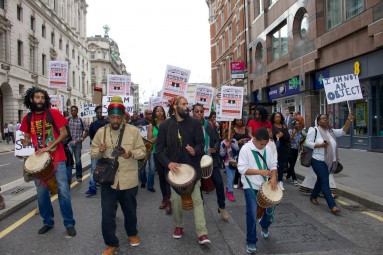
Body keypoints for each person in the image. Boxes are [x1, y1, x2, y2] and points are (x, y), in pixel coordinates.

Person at [90, 96, 146, 255]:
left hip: (128, 179)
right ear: (108, 116)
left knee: (130, 210)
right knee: (107, 213)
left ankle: (132, 233)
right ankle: (111, 243)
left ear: (123, 117)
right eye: (112, 117)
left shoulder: (133, 131)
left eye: (118, 117)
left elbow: (142, 152)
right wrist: (100, 150)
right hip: (108, 179)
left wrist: (130, 153)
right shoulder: (101, 132)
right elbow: (93, 154)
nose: (115, 120)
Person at [19, 86, 76, 236]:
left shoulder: (53, 113)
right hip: (40, 161)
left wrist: (49, 147)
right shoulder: (28, 118)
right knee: (42, 194)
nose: (40, 100)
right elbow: (26, 138)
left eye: (42, 98)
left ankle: (69, 223)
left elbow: (64, 133)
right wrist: (24, 143)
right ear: (31, 99)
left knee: (63, 192)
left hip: (58, 158)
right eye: (37, 98)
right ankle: (48, 222)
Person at [155, 96, 211, 244]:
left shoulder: (194, 123)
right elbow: (158, 151)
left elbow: (201, 144)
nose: (187, 107)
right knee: (176, 201)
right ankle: (179, 226)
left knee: (197, 200)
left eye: (187, 104)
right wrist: (168, 164)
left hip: (193, 168)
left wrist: (195, 150)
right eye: (184, 104)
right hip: (175, 172)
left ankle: (202, 233)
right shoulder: (165, 126)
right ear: (175, 107)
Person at [237, 128, 278, 254]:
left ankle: (264, 225)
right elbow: (242, 169)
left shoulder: (268, 148)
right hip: (250, 185)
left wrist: (274, 178)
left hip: (264, 185)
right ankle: (251, 241)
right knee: (252, 212)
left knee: (271, 207)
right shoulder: (246, 149)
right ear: (254, 139)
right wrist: (260, 171)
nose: (263, 146)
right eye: (261, 144)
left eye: (265, 144)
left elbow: (273, 165)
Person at [305, 113, 353, 215]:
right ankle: (332, 206)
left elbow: (343, 131)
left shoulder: (331, 131)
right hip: (317, 159)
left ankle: (313, 196)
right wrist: (320, 145)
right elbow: (307, 143)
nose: (325, 120)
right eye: (322, 118)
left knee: (321, 179)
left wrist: (348, 121)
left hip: (329, 161)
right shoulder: (314, 130)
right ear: (318, 121)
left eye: (326, 118)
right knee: (325, 181)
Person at [192, 103, 228, 221]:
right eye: (197, 111)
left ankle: (222, 207)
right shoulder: (188, 126)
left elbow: (217, 139)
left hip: (211, 160)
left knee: (219, 183)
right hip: (196, 161)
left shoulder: (210, 125)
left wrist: (215, 148)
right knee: (199, 187)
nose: (199, 114)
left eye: (201, 111)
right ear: (193, 112)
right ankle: (200, 210)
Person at [148, 106, 172, 213]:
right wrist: (159, 135)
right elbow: (149, 141)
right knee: (162, 178)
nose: (159, 113)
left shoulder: (168, 123)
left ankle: (170, 201)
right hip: (156, 154)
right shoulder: (151, 126)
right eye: (157, 111)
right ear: (154, 113)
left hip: (168, 154)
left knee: (169, 177)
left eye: (161, 111)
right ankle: (165, 199)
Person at [86, 105, 109, 195]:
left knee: (106, 169)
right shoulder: (93, 124)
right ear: (95, 113)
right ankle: (92, 187)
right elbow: (91, 136)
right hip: (96, 149)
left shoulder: (108, 124)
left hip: (107, 149)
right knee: (93, 168)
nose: (99, 114)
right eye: (98, 112)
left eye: (101, 112)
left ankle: (106, 185)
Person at [67, 105, 88, 182]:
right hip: (69, 143)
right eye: (72, 110)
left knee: (78, 160)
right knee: (69, 161)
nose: (73, 112)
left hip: (78, 143)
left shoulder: (80, 120)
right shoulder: (68, 120)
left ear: (77, 111)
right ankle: (68, 178)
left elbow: (86, 130)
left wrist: (82, 138)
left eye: (74, 110)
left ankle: (79, 176)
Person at [270, 112, 290, 191]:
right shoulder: (271, 126)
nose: (278, 118)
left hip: (283, 148)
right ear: (273, 118)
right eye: (276, 117)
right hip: (274, 147)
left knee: (281, 164)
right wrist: (276, 136)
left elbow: (287, 137)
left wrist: (283, 135)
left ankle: (280, 181)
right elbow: (271, 136)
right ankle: (272, 180)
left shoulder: (284, 126)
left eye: (279, 117)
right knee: (273, 164)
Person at [138, 109, 155, 191]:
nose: (150, 115)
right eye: (148, 113)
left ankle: (150, 185)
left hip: (152, 148)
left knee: (152, 167)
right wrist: (137, 128)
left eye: (151, 113)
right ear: (145, 114)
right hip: (143, 148)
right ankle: (143, 181)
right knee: (142, 167)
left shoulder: (155, 123)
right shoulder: (140, 122)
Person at [220, 128, 239, 202]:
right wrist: (226, 147)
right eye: (228, 133)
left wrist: (231, 144)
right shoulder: (222, 142)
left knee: (232, 177)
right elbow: (221, 154)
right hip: (227, 162)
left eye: (231, 133)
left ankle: (228, 188)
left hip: (234, 162)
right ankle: (230, 192)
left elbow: (237, 149)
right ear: (225, 134)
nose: (230, 135)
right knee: (230, 177)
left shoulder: (234, 141)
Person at [233, 118, 251, 189]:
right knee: (239, 165)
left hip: (246, 149)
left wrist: (247, 139)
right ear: (235, 121)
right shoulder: (233, 129)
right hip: (237, 149)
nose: (239, 121)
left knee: (246, 165)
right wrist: (238, 142)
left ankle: (243, 182)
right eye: (238, 120)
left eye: (241, 120)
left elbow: (250, 138)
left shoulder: (246, 129)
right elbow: (230, 140)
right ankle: (236, 180)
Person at [287, 120, 306, 186]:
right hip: (290, 150)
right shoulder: (290, 131)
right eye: (296, 124)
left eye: (298, 124)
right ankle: (294, 179)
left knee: (293, 165)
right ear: (294, 125)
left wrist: (301, 146)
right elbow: (289, 140)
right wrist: (293, 134)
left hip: (296, 150)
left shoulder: (301, 132)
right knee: (292, 165)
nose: (298, 125)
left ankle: (288, 176)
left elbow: (303, 139)